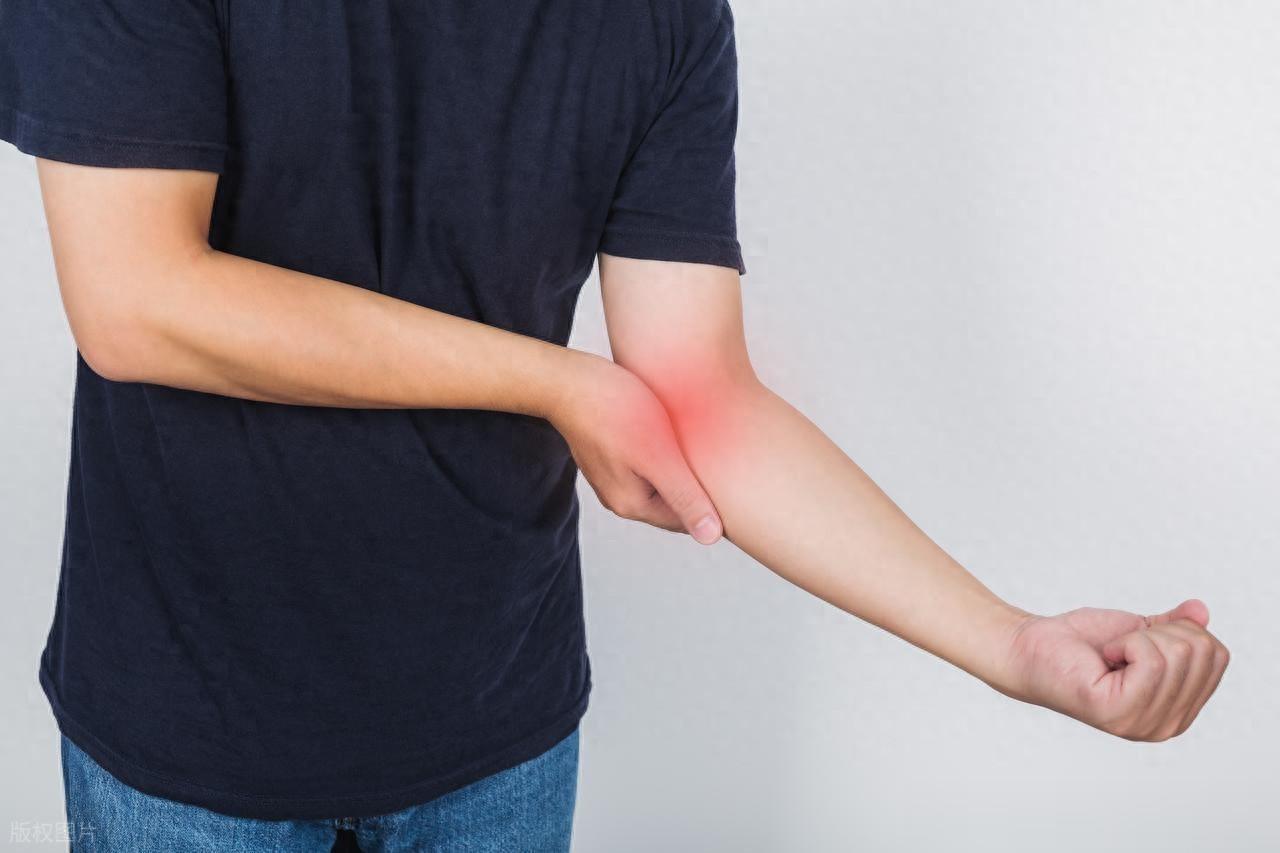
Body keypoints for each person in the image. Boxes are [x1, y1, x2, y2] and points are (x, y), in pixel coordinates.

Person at [0, 0, 1229, 850]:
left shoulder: (660, 18)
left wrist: (1011, 645)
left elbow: (706, 397)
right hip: (187, 735)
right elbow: (136, 301)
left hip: (496, 740)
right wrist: (559, 381)